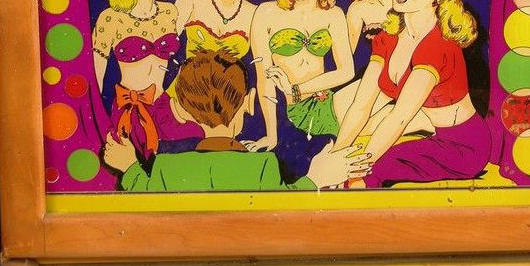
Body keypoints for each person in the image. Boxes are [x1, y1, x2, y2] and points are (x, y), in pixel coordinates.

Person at [333, 0, 491, 188]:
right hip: (431, 135)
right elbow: (361, 106)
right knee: (342, 167)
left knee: (368, 175)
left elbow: (400, 117)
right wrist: (335, 157)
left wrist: (352, 171)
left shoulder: (438, 45)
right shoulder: (387, 36)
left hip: (464, 147)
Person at [103, 49, 371, 191]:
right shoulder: (263, 166)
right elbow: (283, 209)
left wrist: (129, 168)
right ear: (249, 102)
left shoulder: (166, 167)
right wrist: (315, 178)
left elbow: (144, 192)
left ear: (179, 110)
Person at [92, 0, 203, 158]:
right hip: (127, 111)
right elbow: (95, 82)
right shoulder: (111, 18)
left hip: (164, 109)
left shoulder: (169, 13)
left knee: (196, 138)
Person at [246, 0, 356, 152]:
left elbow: (347, 72)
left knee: (389, 98)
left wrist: (296, 89)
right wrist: (271, 135)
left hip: (328, 102)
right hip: (296, 113)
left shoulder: (334, 14)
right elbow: (264, 79)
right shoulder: (266, 13)